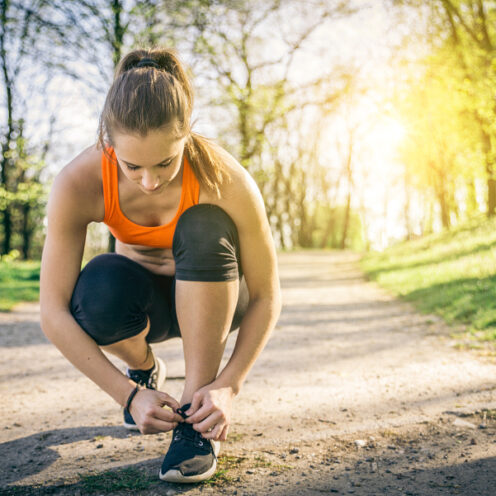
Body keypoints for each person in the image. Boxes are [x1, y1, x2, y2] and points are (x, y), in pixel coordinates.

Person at [39, 47, 282, 483]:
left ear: (187, 133)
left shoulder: (226, 180)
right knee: (97, 287)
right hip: (145, 305)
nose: (150, 182)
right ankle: (146, 368)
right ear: (108, 142)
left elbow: (267, 295)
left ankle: (195, 421)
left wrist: (228, 385)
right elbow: (53, 312)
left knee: (204, 225)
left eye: (166, 162)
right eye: (132, 166)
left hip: (219, 296)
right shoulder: (78, 182)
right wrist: (129, 395)